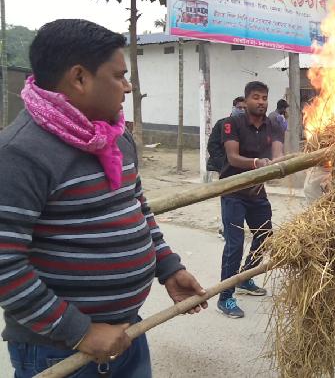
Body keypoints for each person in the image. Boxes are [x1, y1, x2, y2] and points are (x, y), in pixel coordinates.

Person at [0, 19, 207, 377]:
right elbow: (6, 266)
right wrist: (80, 332)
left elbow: (136, 206)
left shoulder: (113, 136)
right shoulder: (20, 154)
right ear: (79, 78)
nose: (128, 88)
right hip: (60, 352)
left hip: (125, 334)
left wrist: (168, 267)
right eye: (119, 76)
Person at [217, 81, 283, 318]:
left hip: (256, 192)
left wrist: (277, 164)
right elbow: (233, 158)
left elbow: (277, 155)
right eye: (256, 97)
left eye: (264, 97)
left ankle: (246, 277)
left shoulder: (273, 124)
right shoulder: (232, 123)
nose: (261, 102)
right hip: (233, 191)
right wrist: (257, 164)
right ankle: (225, 297)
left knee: (265, 236)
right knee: (234, 244)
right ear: (246, 101)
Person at [207, 97, 246, 174]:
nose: (242, 110)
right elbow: (213, 145)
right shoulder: (221, 124)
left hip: (243, 167)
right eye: (239, 108)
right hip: (224, 167)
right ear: (233, 108)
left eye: (245, 108)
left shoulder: (249, 126)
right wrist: (222, 163)